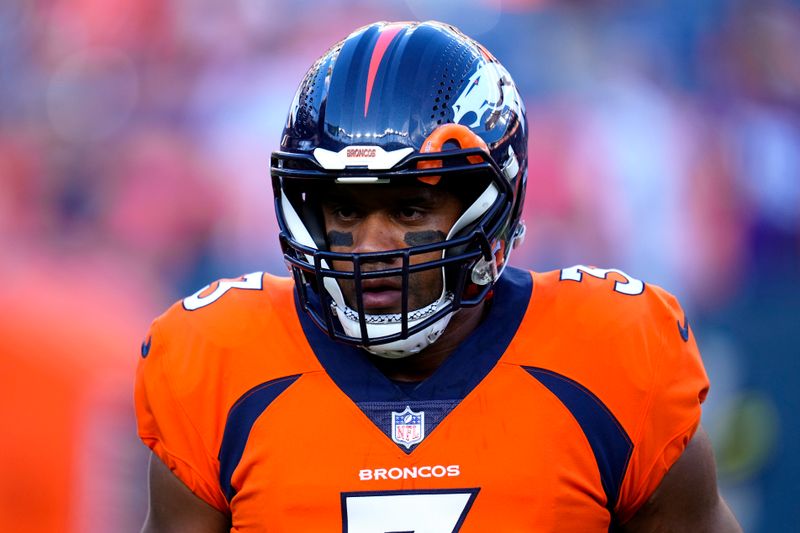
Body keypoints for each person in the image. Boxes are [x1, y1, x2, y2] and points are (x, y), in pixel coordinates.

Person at [135, 21, 741, 531]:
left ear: (491, 206)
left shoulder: (612, 350)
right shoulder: (216, 361)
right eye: (345, 209)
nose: (371, 247)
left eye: (409, 210)